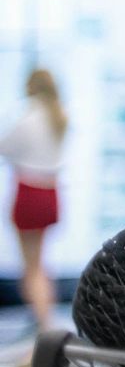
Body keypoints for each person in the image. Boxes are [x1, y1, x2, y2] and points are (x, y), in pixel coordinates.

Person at [0, 69, 66, 333]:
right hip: (50, 193)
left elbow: (5, 147)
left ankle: (43, 323)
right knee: (40, 261)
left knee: (30, 264)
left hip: (29, 191)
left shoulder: (29, 117)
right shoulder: (58, 117)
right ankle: (42, 315)